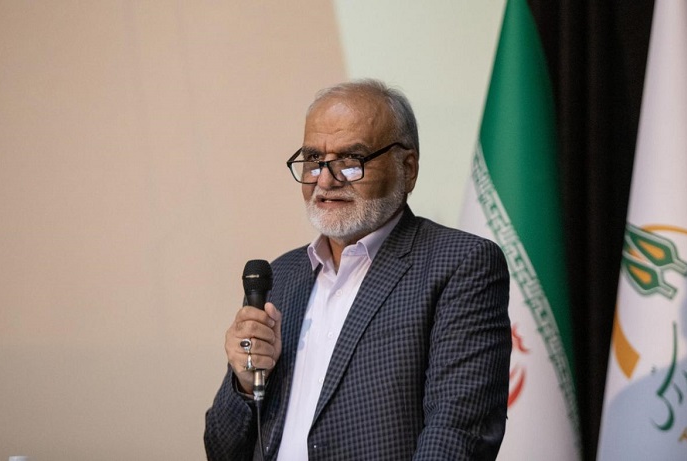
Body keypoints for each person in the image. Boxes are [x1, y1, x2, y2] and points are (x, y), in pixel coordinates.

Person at [204, 79, 511, 461]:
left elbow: (459, 432)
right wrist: (246, 384)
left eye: (351, 160)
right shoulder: (281, 277)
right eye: (314, 160)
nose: (325, 180)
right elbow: (221, 450)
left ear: (408, 168)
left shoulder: (459, 264)